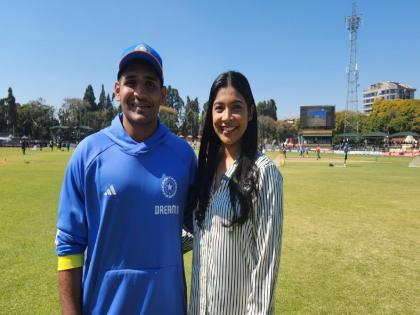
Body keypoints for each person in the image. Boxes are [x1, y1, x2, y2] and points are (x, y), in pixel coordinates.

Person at [55, 43, 196, 315]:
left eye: (150, 84)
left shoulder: (183, 156)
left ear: (163, 94)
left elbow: (202, 227)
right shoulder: (88, 154)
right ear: (117, 89)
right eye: (131, 82)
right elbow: (69, 248)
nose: (140, 92)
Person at [189, 71, 283, 314]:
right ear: (210, 113)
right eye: (219, 107)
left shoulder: (264, 173)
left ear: (250, 113)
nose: (227, 117)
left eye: (236, 107)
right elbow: (199, 234)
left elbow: (266, 265)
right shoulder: (206, 171)